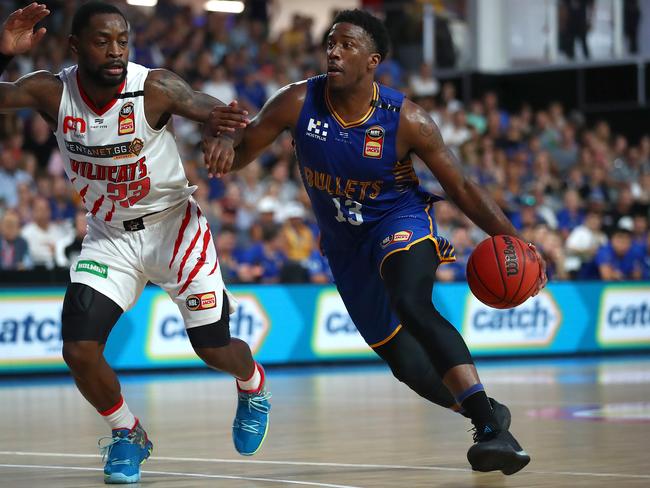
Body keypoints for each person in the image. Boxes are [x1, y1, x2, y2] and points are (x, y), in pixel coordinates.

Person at [204, 9, 547, 475]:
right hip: (345, 247)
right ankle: (484, 409)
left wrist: (517, 243)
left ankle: (490, 431)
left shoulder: (408, 120)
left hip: (400, 221)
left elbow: (462, 188)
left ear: (373, 61)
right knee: (405, 363)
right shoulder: (295, 102)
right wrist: (225, 146)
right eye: (330, 42)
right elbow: (241, 152)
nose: (333, 51)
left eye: (346, 44)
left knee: (411, 302)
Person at [0, 2, 270, 484]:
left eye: (123, 41)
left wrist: (221, 132)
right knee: (79, 347)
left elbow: (214, 109)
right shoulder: (50, 89)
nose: (116, 51)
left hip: (174, 228)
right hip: (109, 237)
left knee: (212, 349)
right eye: (103, 41)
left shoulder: (153, 87)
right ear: (76, 46)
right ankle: (128, 433)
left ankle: (252, 385)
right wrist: (2, 52)